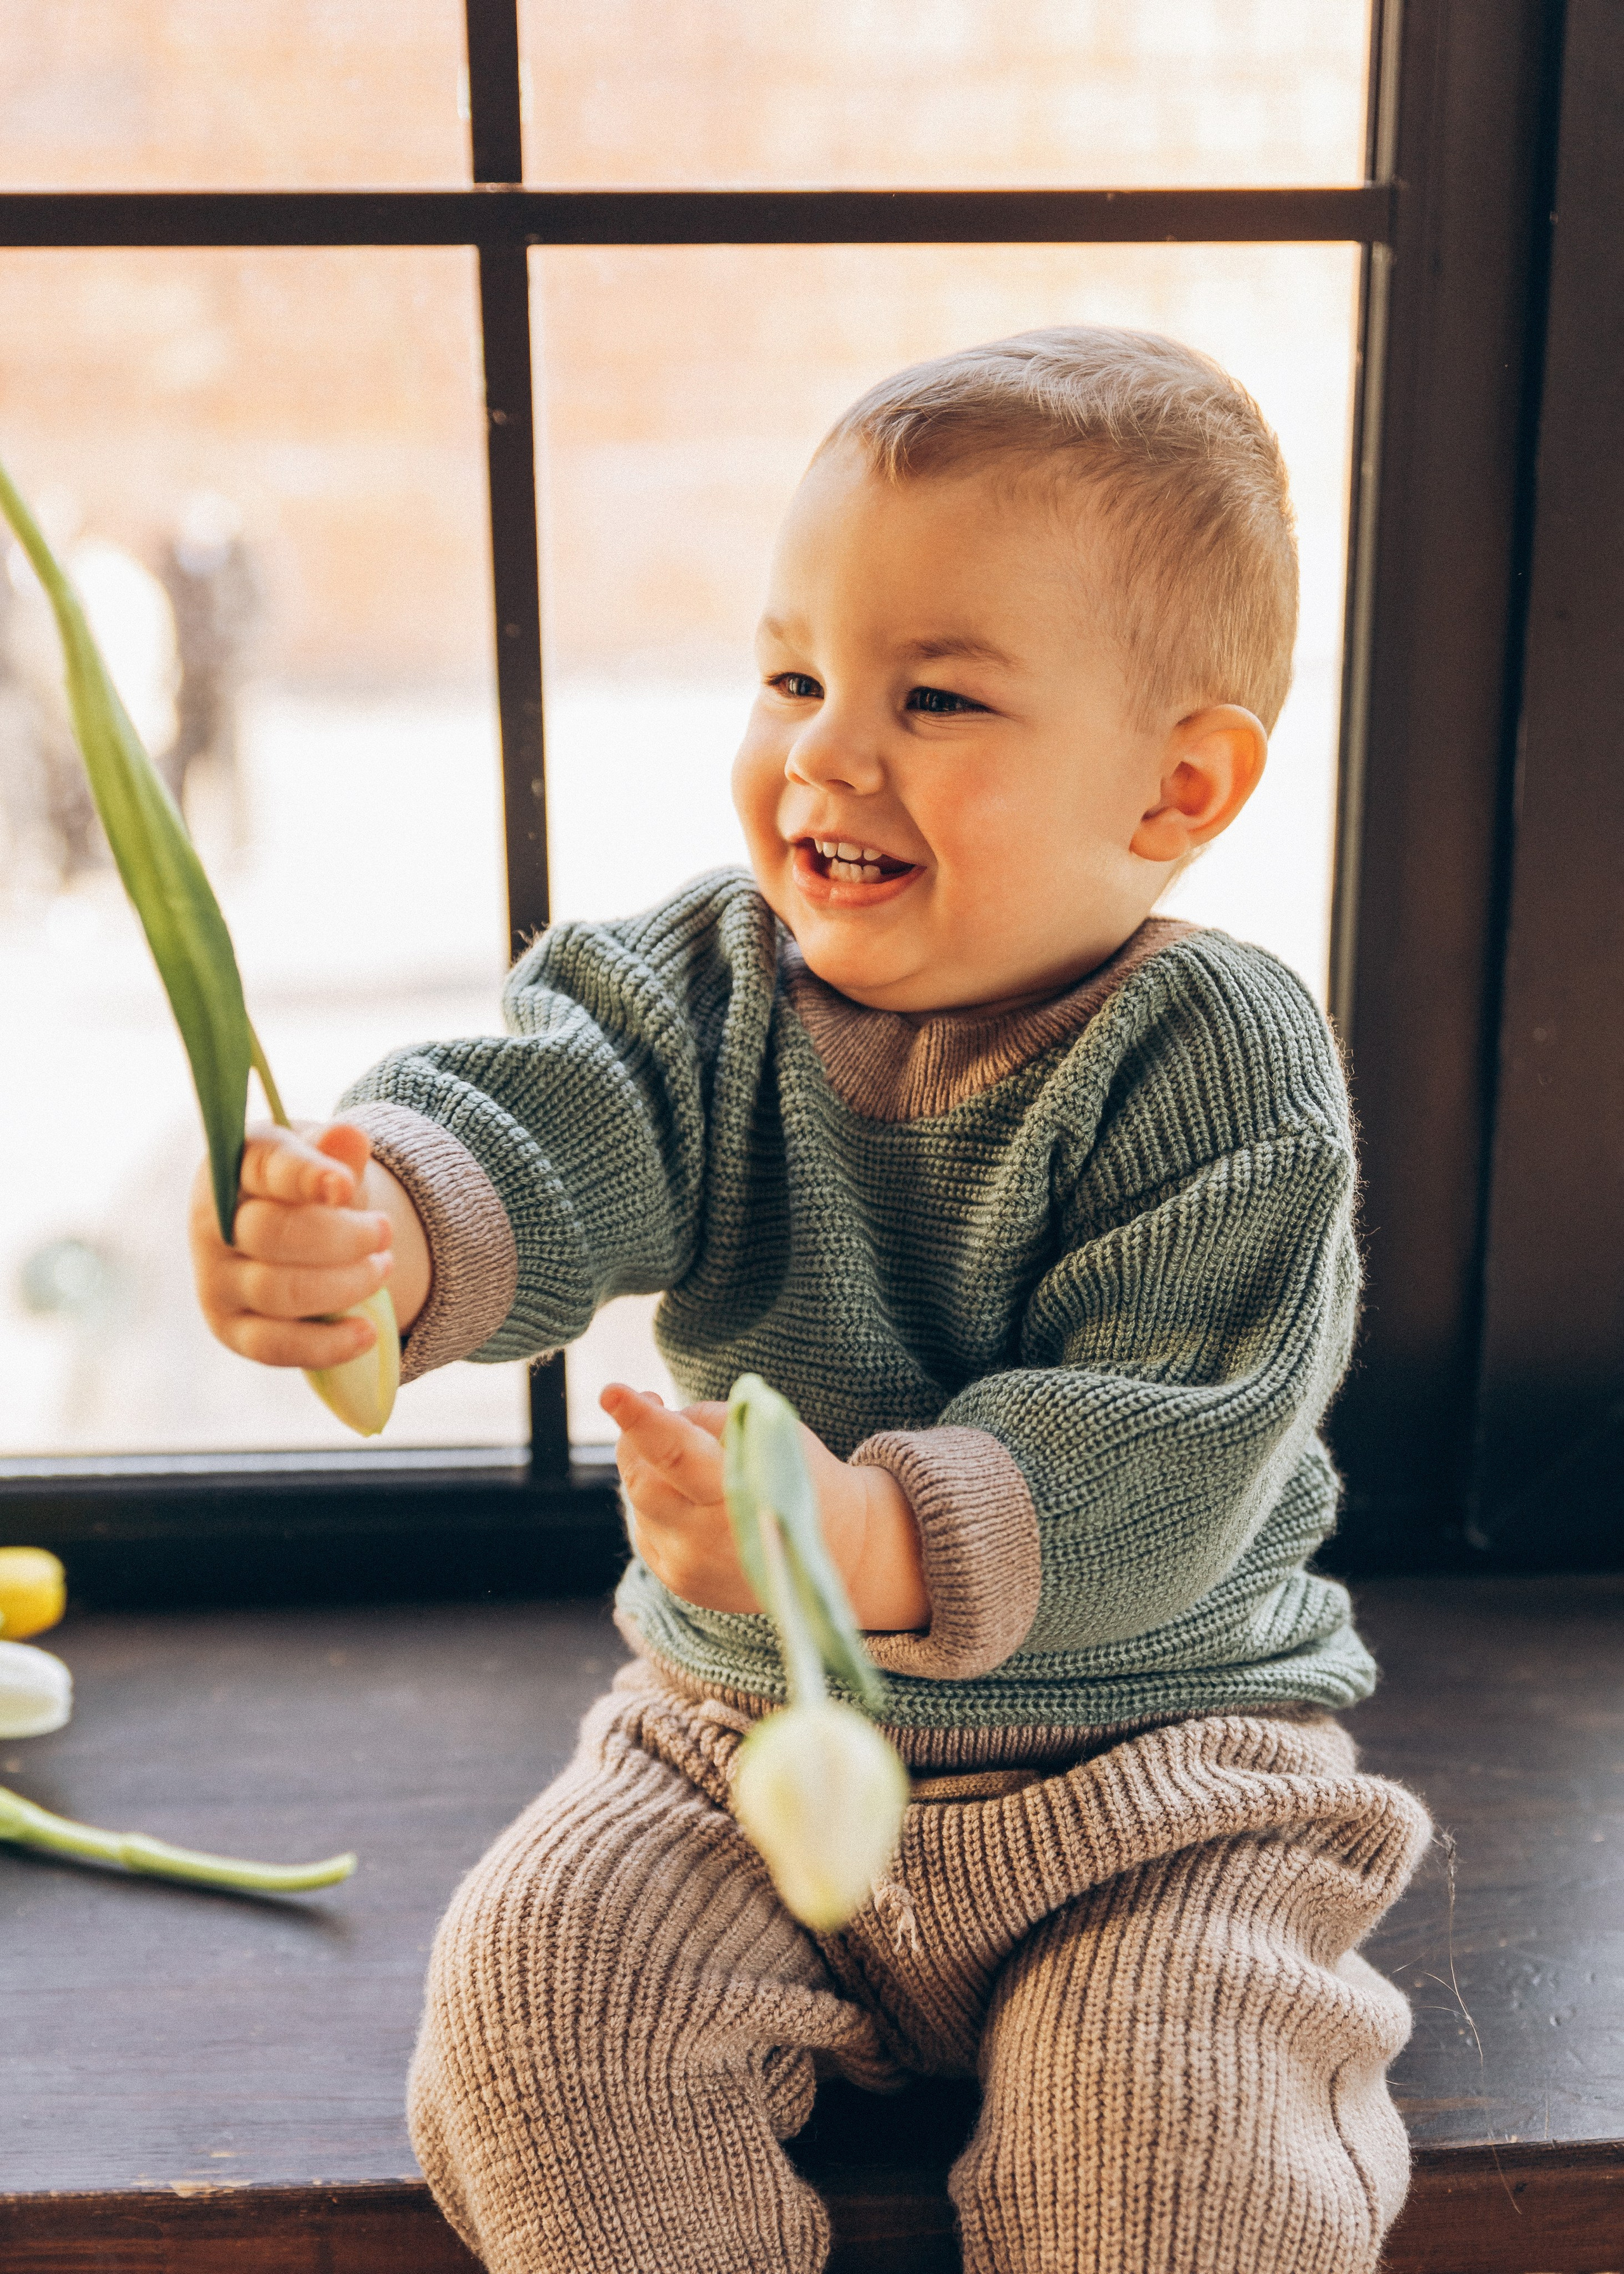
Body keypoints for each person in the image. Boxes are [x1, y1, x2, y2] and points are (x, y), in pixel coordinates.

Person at [188, 327, 1430, 2274]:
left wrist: (861, 1531)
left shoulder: (1221, 1059)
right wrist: (383, 1232)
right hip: (735, 1750)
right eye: (793, 675)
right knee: (542, 2019)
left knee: (1183, 2155)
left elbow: (1173, 1448)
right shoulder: (708, 985)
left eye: (934, 695)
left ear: (1180, 785)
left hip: (1158, 1788)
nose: (825, 753)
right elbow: (545, 1124)